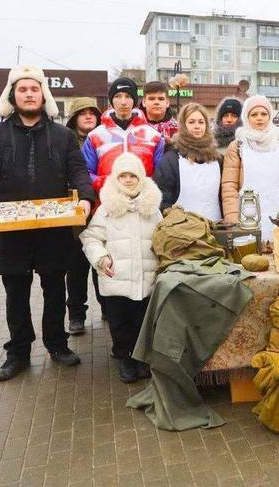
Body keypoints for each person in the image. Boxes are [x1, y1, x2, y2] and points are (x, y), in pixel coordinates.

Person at [0, 66, 94, 381]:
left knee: (54, 291)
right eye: (23, 89)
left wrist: (85, 196)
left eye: (35, 89)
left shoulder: (62, 136)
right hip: (12, 231)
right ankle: (18, 353)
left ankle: (57, 345)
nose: (29, 94)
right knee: (16, 293)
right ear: (13, 95)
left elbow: (78, 171)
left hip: (54, 229)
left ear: (43, 94)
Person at [80, 153, 162, 383]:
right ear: (116, 179)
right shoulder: (106, 209)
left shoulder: (152, 209)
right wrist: (100, 257)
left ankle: (141, 357)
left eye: (132, 175)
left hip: (146, 277)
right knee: (120, 321)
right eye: (123, 176)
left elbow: (162, 237)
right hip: (116, 277)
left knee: (142, 320)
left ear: (141, 178)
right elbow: (91, 238)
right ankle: (125, 357)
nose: (128, 180)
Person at [221, 95, 279, 239]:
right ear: (246, 117)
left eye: (264, 114)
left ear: (270, 116)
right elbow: (229, 186)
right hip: (246, 218)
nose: (259, 118)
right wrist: (233, 221)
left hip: (277, 215)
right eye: (254, 114)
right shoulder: (237, 146)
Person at [83, 77, 165, 193]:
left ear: (134, 101)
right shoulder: (96, 135)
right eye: (118, 96)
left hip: (143, 204)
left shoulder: (153, 136)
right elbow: (85, 172)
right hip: (107, 204)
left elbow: (161, 174)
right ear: (111, 100)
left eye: (128, 96)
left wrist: (143, 187)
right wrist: (107, 185)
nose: (123, 102)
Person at [64, 98, 105, 333]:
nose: (89, 116)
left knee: (103, 262)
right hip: (75, 216)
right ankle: (76, 315)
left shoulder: (103, 138)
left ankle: (107, 308)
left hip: (101, 210)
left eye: (92, 112)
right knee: (76, 267)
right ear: (74, 117)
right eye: (83, 113)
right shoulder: (65, 141)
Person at [154, 103, 222, 219]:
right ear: (183, 125)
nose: (197, 126)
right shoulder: (171, 159)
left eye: (201, 122)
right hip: (182, 232)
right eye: (191, 122)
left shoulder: (218, 159)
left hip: (216, 229)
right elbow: (163, 201)